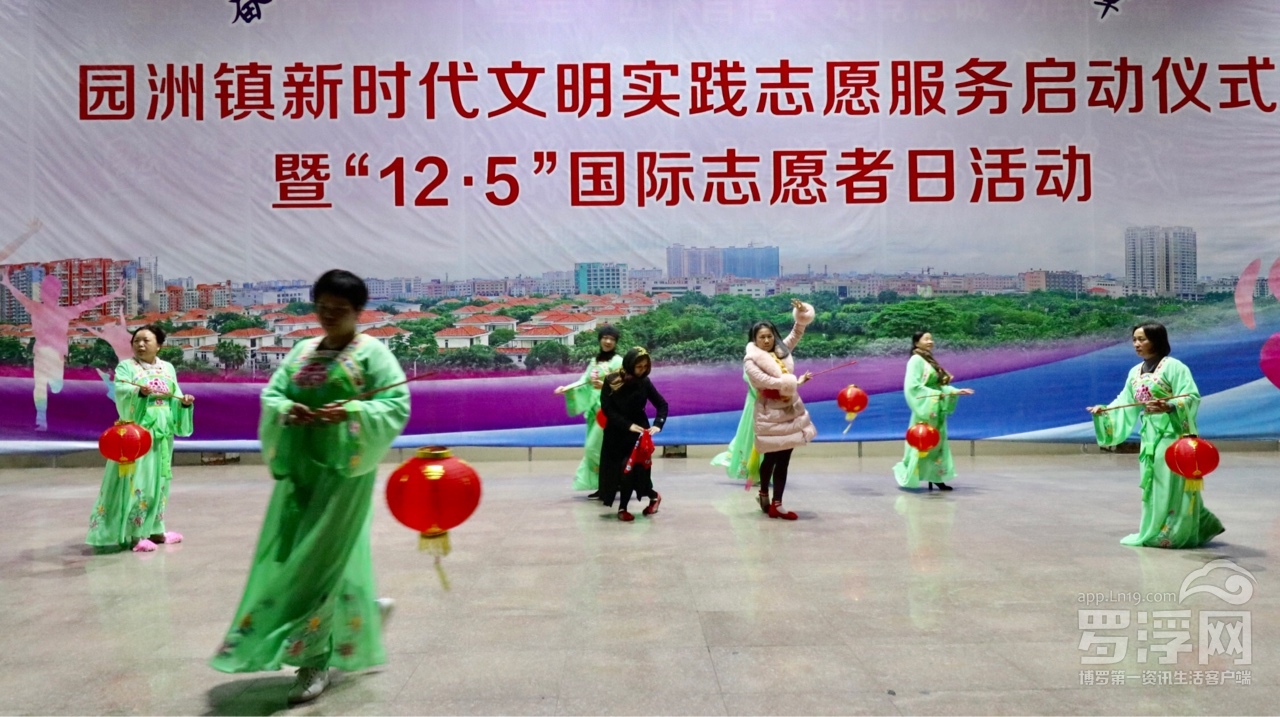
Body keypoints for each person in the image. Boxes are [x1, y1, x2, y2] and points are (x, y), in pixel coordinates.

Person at [210, 270, 410, 704]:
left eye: (340, 310)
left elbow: (395, 404)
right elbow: (273, 396)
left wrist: (350, 412)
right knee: (300, 555)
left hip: (344, 474)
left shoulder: (373, 354)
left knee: (315, 563)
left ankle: (313, 660)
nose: (329, 316)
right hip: (302, 472)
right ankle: (363, 614)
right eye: (322, 308)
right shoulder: (302, 351)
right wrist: (290, 410)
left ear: (359, 312)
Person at [1088, 322, 1224, 548]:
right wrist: (1104, 410)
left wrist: (1169, 406)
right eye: (1134, 339)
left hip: (1172, 432)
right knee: (1154, 481)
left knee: (1170, 480)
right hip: (1149, 433)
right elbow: (1125, 400)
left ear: (1157, 340)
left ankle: (1175, 531)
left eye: (1142, 339)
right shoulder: (1135, 372)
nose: (1136, 344)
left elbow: (1191, 396)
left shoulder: (1174, 367)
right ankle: (1167, 527)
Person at [86, 324, 194, 552]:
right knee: (138, 480)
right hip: (137, 433)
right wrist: (139, 393)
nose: (141, 345)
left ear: (159, 345)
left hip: (163, 430)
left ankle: (156, 529)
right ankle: (135, 534)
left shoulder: (167, 368)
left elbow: (174, 395)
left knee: (160, 480)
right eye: (136, 341)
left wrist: (184, 403)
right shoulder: (126, 367)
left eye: (146, 340)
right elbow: (122, 392)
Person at [0, 270, 123, 430]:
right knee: (40, 385)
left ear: (57, 294)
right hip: (41, 353)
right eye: (45, 290)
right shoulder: (35, 307)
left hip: (57, 356)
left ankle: (53, 398)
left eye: (51, 291)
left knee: (56, 387)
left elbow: (90, 303)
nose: (48, 294)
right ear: (42, 293)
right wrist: (8, 284)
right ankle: (41, 419)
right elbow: (20, 296)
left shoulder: (64, 311)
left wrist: (113, 295)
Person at [742, 299, 817, 520]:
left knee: (784, 458)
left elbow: (796, 333)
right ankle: (764, 493)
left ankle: (777, 504)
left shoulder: (781, 351)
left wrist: (802, 314)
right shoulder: (751, 361)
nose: (766, 340)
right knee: (771, 458)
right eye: (761, 337)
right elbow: (766, 382)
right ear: (754, 340)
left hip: (790, 411)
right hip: (769, 413)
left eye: (769, 336)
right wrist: (795, 382)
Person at [893, 331, 974, 491]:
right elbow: (912, 387)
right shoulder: (916, 360)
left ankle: (936, 476)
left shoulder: (929, 360)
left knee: (937, 445)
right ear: (916, 343)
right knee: (921, 444)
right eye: (926, 339)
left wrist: (954, 391)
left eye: (931, 339)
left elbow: (937, 386)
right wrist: (936, 395)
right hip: (925, 410)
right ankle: (912, 475)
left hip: (935, 408)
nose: (930, 342)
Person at [598, 347, 667, 521]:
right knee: (616, 471)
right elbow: (607, 409)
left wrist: (658, 424)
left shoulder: (645, 382)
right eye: (639, 366)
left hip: (638, 434)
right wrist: (627, 425)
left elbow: (662, 404)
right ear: (629, 364)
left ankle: (623, 508)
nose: (642, 370)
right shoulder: (612, 380)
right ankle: (653, 496)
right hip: (616, 432)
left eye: (645, 367)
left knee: (630, 470)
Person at [554, 324, 623, 497]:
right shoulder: (595, 361)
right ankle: (605, 485)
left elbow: (624, 385)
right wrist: (566, 388)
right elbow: (584, 381)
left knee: (592, 448)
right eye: (605, 338)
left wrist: (605, 385)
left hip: (607, 411)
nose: (608, 342)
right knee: (600, 448)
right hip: (594, 411)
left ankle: (617, 479)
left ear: (616, 342)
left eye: (612, 339)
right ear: (600, 340)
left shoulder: (618, 362)